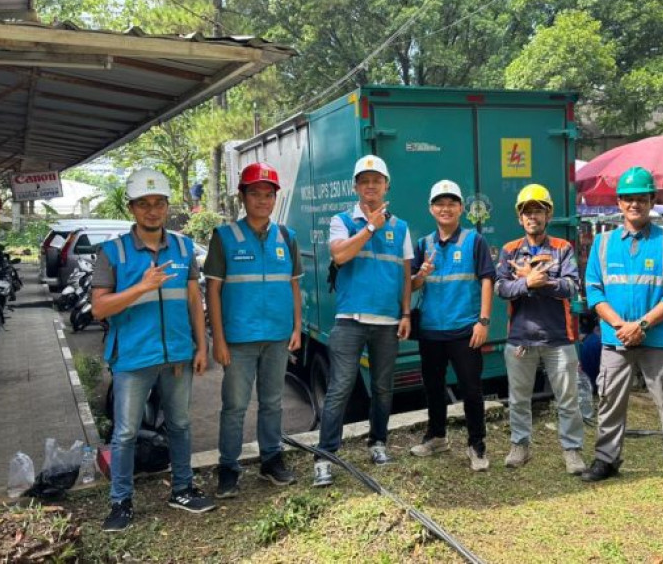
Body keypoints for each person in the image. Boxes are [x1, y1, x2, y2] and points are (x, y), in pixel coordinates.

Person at [92, 168, 213, 532]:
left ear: (166, 206)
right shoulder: (112, 252)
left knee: (180, 424)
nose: (152, 210)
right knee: (126, 432)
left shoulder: (183, 247)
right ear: (132, 208)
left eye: (158, 202)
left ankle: (182, 489)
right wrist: (141, 288)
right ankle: (121, 502)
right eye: (143, 204)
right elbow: (99, 308)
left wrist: (201, 344)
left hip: (178, 354)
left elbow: (194, 298)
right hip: (133, 358)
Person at [580, 166, 663, 494]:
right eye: (628, 199)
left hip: (659, 338)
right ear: (619, 203)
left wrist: (643, 325)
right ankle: (606, 459)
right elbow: (594, 291)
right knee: (609, 400)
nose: (634, 204)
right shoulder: (603, 243)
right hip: (615, 337)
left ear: (652, 200)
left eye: (641, 198)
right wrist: (622, 326)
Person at [313, 155, 413, 487]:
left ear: (386, 185)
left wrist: (406, 313)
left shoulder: (401, 227)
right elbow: (340, 255)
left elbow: (405, 273)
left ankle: (378, 443)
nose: (371, 186)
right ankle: (325, 458)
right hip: (350, 320)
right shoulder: (342, 220)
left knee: (383, 389)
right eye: (364, 181)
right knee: (339, 390)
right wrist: (371, 227)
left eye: (377, 180)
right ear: (356, 187)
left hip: (387, 322)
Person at [205, 162, 303, 498]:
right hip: (238, 340)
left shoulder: (287, 237)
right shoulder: (224, 237)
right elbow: (212, 291)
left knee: (273, 403)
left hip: (277, 336)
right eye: (255, 194)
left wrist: (297, 327)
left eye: (268, 194)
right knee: (234, 406)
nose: (262, 200)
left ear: (275, 199)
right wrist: (217, 339)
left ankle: (271, 461)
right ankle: (229, 469)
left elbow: (293, 287)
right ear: (242, 197)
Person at [496, 184, 586, 475]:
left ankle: (572, 450)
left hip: (559, 337)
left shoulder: (562, 248)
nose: (532, 216)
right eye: (527, 211)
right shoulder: (510, 250)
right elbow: (501, 288)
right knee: (519, 398)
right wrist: (526, 283)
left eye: (538, 210)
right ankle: (520, 445)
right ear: (519, 218)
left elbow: (572, 286)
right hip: (521, 338)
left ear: (548, 215)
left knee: (568, 399)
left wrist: (542, 282)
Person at [409, 180, 495, 471]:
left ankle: (476, 443)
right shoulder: (424, 245)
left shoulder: (474, 240)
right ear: (431, 209)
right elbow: (412, 286)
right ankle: (437, 435)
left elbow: (487, 279)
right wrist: (421, 273)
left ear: (461, 208)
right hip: (431, 330)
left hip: (465, 329)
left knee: (471, 389)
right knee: (433, 387)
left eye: (451, 203)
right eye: (439, 204)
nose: (445, 209)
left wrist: (483, 321)